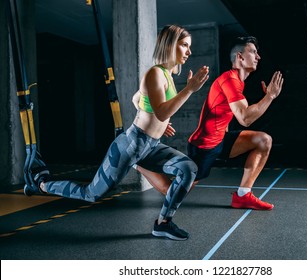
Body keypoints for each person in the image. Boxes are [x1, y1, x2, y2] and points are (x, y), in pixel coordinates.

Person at [25, 24, 210, 241]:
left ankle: (163, 223)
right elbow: (160, 111)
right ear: (170, 45)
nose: (189, 52)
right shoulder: (155, 74)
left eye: (189, 47)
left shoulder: (168, 76)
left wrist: (160, 122)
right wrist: (188, 90)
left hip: (151, 146)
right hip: (131, 145)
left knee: (188, 168)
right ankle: (42, 183)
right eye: (185, 45)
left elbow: (137, 99)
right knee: (91, 194)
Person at [136, 36, 283, 211]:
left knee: (264, 140)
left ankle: (243, 196)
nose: (258, 56)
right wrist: (269, 97)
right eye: (253, 52)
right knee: (172, 192)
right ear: (240, 57)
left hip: (220, 140)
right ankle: (139, 162)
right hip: (204, 146)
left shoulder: (237, 81)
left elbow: (225, 112)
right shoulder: (230, 80)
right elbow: (245, 118)